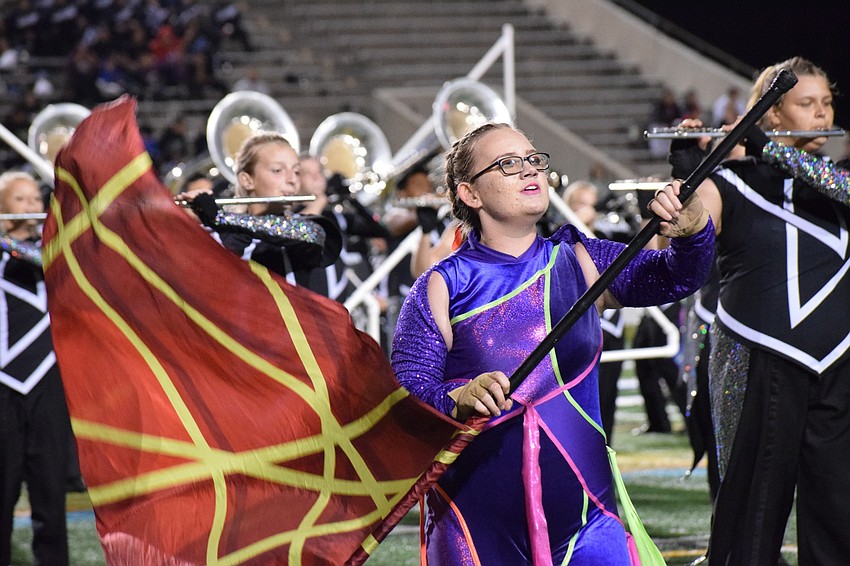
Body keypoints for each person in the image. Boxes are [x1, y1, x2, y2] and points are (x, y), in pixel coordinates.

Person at [391, 122, 715, 564]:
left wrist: (695, 231)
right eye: (508, 164)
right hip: (474, 529)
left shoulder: (580, 259)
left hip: (588, 522)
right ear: (470, 193)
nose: (529, 171)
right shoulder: (441, 286)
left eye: (533, 160)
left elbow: (677, 276)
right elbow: (407, 394)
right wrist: (457, 397)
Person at [688, 57, 850, 566]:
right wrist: (687, 173)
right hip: (760, 357)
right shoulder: (731, 181)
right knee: (752, 518)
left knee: (838, 510)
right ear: (774, 113)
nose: (822, 116)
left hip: (839, 367)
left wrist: (761, 144)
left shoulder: (840, 183)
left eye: (827, 104)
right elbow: (689, 231)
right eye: (807, 104)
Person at [0, 172, 71, 565]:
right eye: (20, 200)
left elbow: (44, 257)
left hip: (48, 381)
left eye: (34, 200)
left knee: (50, 495)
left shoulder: (55, 252)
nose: (31, 207)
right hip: (3, 384)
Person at [175, 132, 341, 289]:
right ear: (247, 181)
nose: (292, 180)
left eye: (296, 171)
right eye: (277, 170)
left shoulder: (303, 226)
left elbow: (311, 234)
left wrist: (221, 218)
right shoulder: (221, 235)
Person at [562, 180, 627, 441]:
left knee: (608, 399)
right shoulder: (559, 237)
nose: (591, 211)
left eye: (593, 204)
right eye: (583, 204)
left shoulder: (608, 235)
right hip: (578, 333)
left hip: (612, 329)